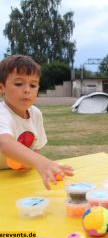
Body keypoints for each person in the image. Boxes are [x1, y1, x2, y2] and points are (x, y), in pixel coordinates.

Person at [0, 55, 74, 189]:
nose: (27, 90)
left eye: (33, 85)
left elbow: (35, 150)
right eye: (18, 84)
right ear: (2, 88)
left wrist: (46, 166)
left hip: (16, 180)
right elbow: (4, 143)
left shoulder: (35, 114)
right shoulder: (2, 113)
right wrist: (41, 162)